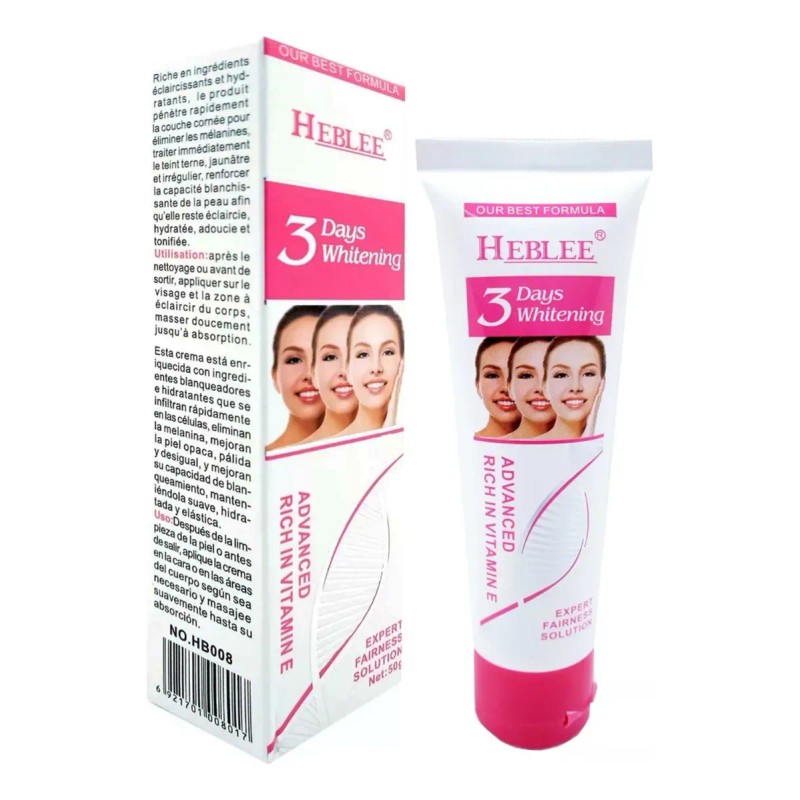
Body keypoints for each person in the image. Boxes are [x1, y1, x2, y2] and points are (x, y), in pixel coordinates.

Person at [265, 305, 326, 451]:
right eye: (294, 360)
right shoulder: (259, 459)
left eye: (325, 357)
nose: (309, 374)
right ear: (275, 377)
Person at [338, 305, 404, 436]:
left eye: (388, 352)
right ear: (348, 370)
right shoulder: (328, 447)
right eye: (363, 354)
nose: (376, 368)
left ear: (402, 362)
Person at [301, 305, 360, 443]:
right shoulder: (294, 453)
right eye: (330, 357)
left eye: (358, 354)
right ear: (313, 373)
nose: (343, 371)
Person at [537, 336, 606, 440]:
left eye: (588, 374)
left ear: (603, 382)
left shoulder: (614, 443)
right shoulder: (522, 447)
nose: (575, 387)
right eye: (561, 375)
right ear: (545, 387)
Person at [503, 337, 556, 439]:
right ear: (509, 387)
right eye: (526, 375)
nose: (540, 388)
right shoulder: (490, 446)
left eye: (554, 374)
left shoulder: (582, 443)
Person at [473, 337, 520, 437]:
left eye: (521, 375)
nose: (506, 388)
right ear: (477, 385)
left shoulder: (550, 443)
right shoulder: (466, 443)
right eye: (492, 375)